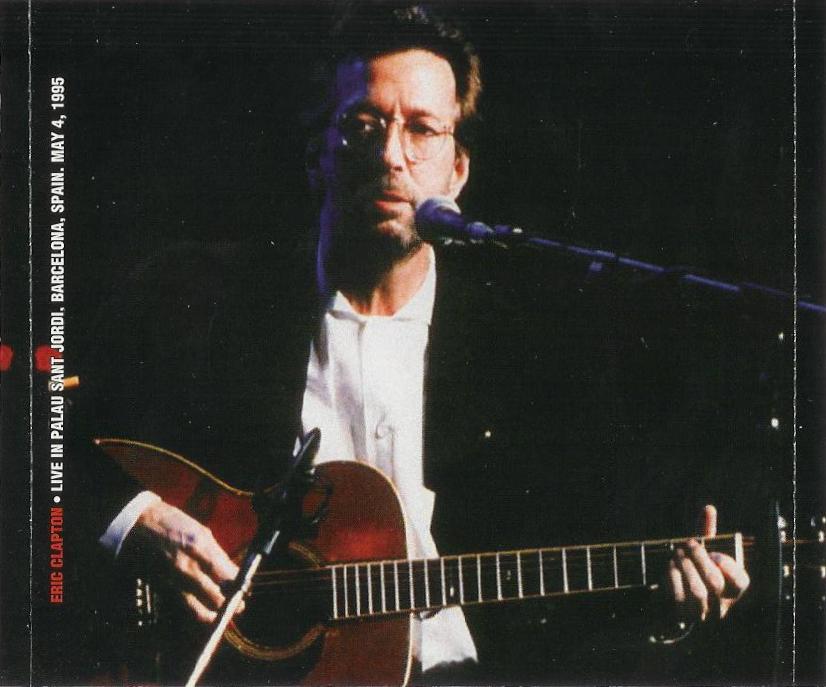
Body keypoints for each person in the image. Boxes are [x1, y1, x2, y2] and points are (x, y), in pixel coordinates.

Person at [75, 3, 750, 683]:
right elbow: (40, 441)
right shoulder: (201, 298)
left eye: (422, 130)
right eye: (363, 125)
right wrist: (133, 522)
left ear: (457, 172)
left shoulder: (527, 352)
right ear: (317, 157)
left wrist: (669, 609)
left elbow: (574, 594)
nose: (390, 155)